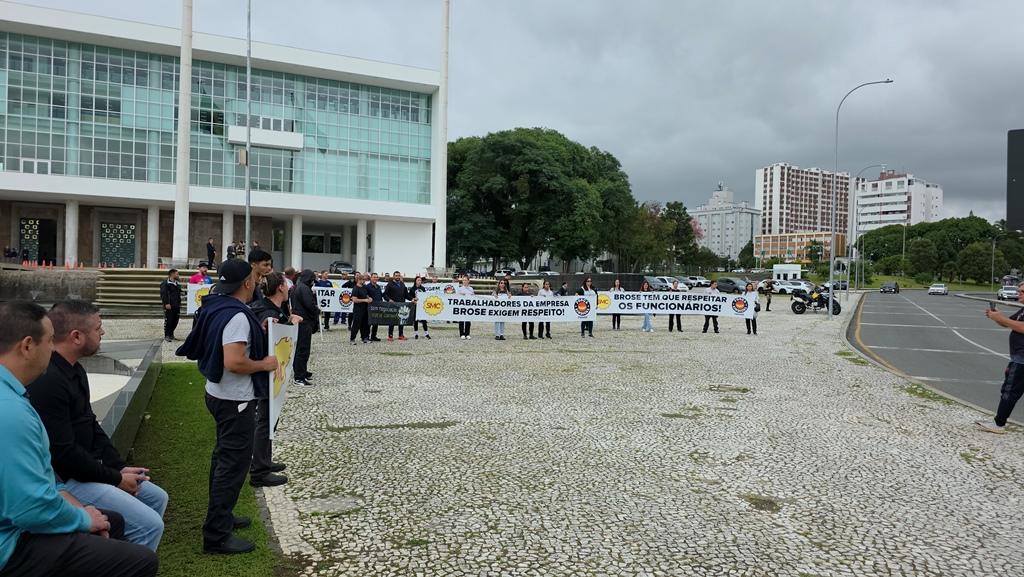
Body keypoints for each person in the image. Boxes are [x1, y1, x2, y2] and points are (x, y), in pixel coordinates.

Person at [0, 300, 159, 577]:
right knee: (141, 560)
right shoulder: (12, 410)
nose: (53, 350)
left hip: (28, 514)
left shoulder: (16, 395)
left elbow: (45, 472)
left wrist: (115, 471)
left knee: (114, 522)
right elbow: (29, 507)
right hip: (10, 544)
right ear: (27, 346)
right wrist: (83, 518)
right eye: (49, 341)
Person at [175, 259, 277, 555]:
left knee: (222, 458)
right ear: (246, 283)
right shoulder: (237, 316)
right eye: (254, 277)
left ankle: (222, 516)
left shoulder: (215, 305)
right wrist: (264, 364)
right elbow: (234, 361)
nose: (257, 282)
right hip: (235, 400)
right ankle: (217, 534)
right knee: (232, 465)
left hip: (217, 393)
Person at [248, 272, 297, 486]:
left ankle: (263, 460)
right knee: (266, 420)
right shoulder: (268, 312)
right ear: (280, 288)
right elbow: (273, 340)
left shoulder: (267, 308)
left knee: (269, 418)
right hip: (266, 374)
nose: (288, 289)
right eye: (286, 285)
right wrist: (292, 324)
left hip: (270, 374)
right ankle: (259, 470)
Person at [977, 283, 1024, 434]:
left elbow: (1022, 327)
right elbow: (1007, 324)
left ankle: (998, 424)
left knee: (1010, 391)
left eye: (1023, 292)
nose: (1019, 294)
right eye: (1019, 291)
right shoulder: (1022, 310)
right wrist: (996, 317)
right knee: (1010, 390)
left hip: (1021, 360)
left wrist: (1001, 318)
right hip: (1018, 357)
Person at [288, 269, 318, 386]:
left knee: (300, 348)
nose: (313, 282)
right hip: (304, 321)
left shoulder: (296, 287)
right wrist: (317, 310)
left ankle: (301, 371)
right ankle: (299, 376)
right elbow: (309, 304)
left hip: (299, 319)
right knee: (303, 349)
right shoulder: (305, 289)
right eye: (313, 280)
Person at [384, 271, 409, 341]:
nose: (398, 277)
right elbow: (385, 294)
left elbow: (406, 295)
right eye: (396, 276)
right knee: (392, 320)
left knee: (401, 320)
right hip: (393, 305)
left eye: (399, 275)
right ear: (394, 276)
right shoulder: (390, 284)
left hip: (401, 305)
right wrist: (389, 299)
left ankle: (401, 334)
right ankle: (390, 335)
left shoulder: (402, 284)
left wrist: (413, 299)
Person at [349, 273, 372, 345]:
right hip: (358, 309)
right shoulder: (355, 289)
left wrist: (369, 298)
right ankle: (352, 339)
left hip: (365, 308)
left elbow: (367, 295)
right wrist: (364, 300)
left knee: (364, 324)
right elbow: (354, 299)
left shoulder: (364, 287)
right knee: (356, 324)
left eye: (365, 280)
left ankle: (364, 337)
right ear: (359, 280)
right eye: (363, 279)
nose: (364, 281)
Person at [159, 269, 181, 342]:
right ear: (172, 275)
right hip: (169, 305)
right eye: (177, 274)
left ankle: (171, 334)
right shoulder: (165, 284)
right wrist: (166, 303)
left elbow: (179, 292)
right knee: (168, 320)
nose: (178, 275)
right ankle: (167, 335)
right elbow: (163, 294)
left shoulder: (177, 283)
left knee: (175, 320)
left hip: (176, 305)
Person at [366, 273, 384, 342]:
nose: (375, 279)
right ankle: (366, 336)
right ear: (371, 278)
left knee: (376, 322)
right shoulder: (368, 286)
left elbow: (380, 295)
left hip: (377, 306)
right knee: (369, 323)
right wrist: (368, 298)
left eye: (376, 277)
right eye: (374, 277)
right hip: (370, 307)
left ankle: (373, 336)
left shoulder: (378, 287)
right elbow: (365, 294)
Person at [456, 275, 474, 340]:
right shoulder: (460, 289)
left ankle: (467, 333)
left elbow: (473, 297)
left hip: (468, 306)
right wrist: (460, 294)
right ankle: (462, 333)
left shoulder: (471, 289)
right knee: (461, 320)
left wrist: (473, 295)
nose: (464, 281)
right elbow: (456, 297)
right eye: (463, 280)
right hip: (462, 306)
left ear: (468, 281)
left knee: (468, 320)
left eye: (465, 280)